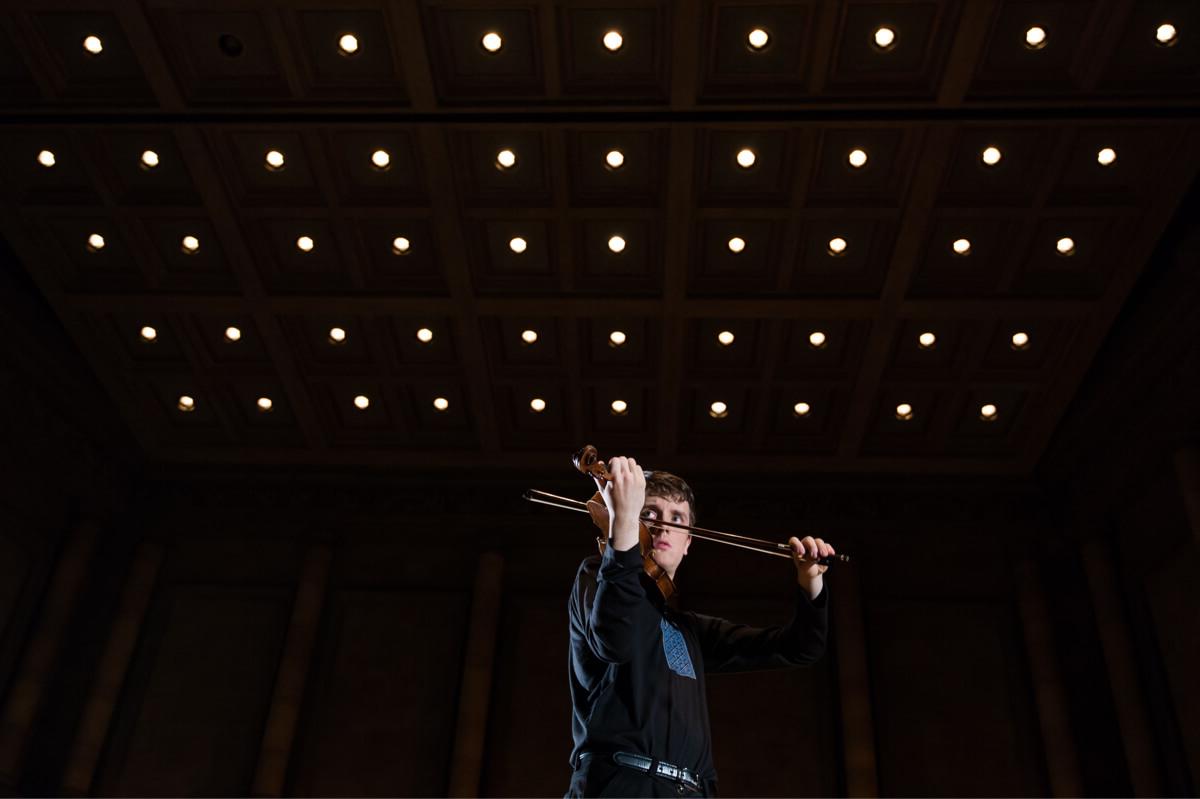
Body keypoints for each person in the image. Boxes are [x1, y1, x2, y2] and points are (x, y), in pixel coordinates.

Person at [566, 456, 835, 798]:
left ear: (688, 541)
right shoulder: (594, 577)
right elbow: (616, 641)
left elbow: (799, 648)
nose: (664, 528)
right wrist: (623, 529)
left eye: (677, 519)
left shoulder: (687, 630)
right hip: (620, 785)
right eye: (649, 514)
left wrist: (811, 584)